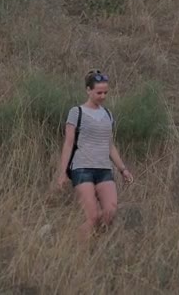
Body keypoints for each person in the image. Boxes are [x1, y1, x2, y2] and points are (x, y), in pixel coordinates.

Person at [56, 69, 134, 241]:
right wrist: (62, 173)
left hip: (104, 169)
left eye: (105, 92)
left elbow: (110, 145)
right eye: (99, 92)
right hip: (82, 169)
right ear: (88, 90)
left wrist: (123, 169)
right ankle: (79, 251)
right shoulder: (77, 112)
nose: (102, 96)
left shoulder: (107, 114)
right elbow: (68, 144)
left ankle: (95, 244)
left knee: (110, 212)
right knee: (92, 217)